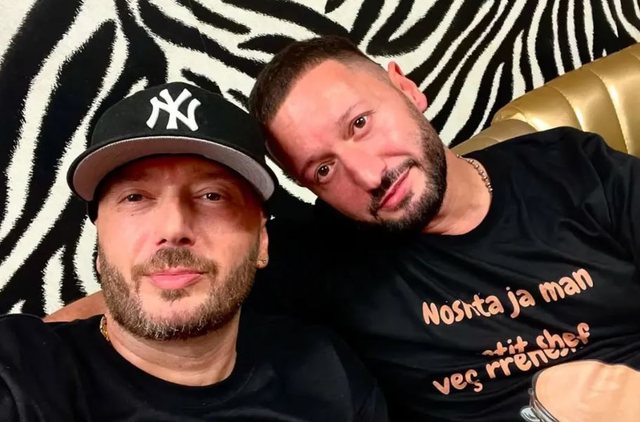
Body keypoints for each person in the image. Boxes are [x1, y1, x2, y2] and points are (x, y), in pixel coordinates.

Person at [49, 37, 640, 421]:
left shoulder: (569, 168)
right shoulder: (321, 258)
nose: (368, 175)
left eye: (359, 123)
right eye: (323, 169)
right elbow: (161, 280)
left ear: (405, 88)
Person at [0, 81, 388, 421]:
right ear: (100, 246)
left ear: (262, 242)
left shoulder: (328, 375)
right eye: (135, 197)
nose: (173, 229)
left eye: (212, 196)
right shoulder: (21, 373)